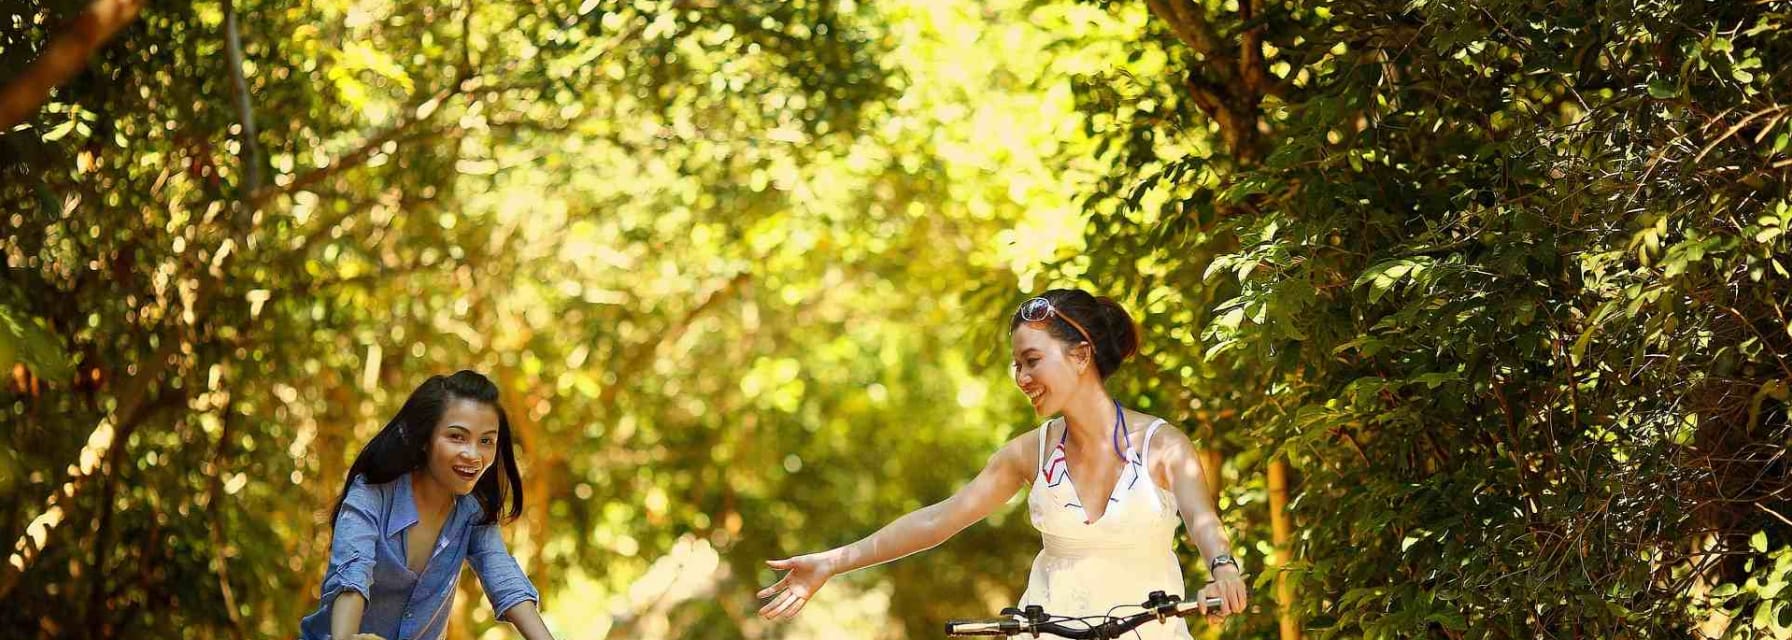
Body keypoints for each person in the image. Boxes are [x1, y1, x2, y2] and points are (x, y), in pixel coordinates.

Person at [757, 289, 1248, 636]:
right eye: (1017, 364)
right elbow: (937, 520)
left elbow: (1205, 524)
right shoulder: (1026, 454)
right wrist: (831, 562)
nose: (1021, 376)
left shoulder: (1162, 446)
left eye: (1032, 360)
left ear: (1081, 355)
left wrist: (1223, 570)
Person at [300, 370, 554, 640]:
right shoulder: (371, 496)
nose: (474, 455)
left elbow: (506, 582)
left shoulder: (472, 515)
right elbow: (351, 578)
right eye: (457, 437)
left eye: (486, 441)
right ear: (425, 439)